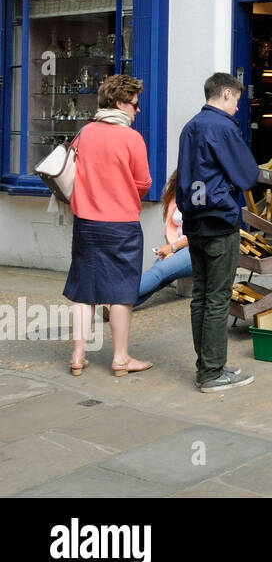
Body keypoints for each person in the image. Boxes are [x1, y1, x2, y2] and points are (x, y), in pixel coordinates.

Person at [64, 74, 152, 377]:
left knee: (83, 289)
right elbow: (143, 183)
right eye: (134, 104)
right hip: (121, 224)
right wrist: (126, 192)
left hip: (86, 222)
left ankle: (77, 356)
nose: (137, 110)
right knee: (120, 292)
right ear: (119, 102)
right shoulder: (132, 138)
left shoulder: (85, 132)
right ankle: (120, 358)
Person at [178, 72, 260, 393]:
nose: (238, 108)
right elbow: (247, 175)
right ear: (226, 93)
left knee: (201, 295)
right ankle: (211, 373)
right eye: (237, 100)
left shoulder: (190, 127)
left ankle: (208, 365)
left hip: (194, 223)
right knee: (216, 298)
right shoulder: (222, 127)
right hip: (219, 222)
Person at [136, 171, 193, 306]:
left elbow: (199, 232)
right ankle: (118, 307)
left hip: (196, 248)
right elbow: (171, 229)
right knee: (158, 278)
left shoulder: (200, 194)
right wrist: (171, 251)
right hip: (178, 248)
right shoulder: (175, 195)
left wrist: (172, 248)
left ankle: (116, 299)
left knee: (158, 272)